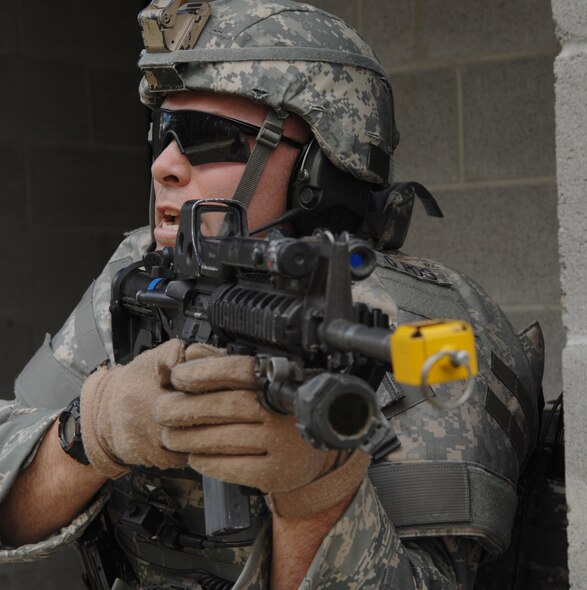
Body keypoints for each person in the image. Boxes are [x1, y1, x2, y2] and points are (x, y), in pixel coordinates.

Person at [0, 1, 544, 589]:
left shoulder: (425, 329)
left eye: (209, 139)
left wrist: (317, 497)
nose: (164, 166)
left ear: (320, 167)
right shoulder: (138, 268)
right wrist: (96, 427)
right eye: (163, 132)